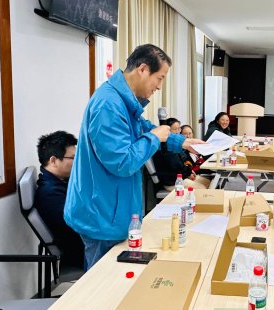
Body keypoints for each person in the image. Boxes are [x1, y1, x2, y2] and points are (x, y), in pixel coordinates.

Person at [64, 44, 204, 270]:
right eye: (159, 78)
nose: (159, 86)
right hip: (102, 211)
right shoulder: (108, 105)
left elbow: (143, 128)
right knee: (104, 280)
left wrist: (181, 142)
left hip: (114, 208)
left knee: (118, 275)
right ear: (143, 69)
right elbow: (122, 162)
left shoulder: (123, 100)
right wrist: (154, 138)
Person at [34, 130, 84, 269]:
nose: (77, 162)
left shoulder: (58, 182)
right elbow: (74, 227)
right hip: (80, 253)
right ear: (53, 161)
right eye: (73, 158)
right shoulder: (50, 193)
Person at [152, 119, 210, 190]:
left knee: (207, 182)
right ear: (167, 131)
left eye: (178, 129)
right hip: (172, 181)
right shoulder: (166, 145)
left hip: (181, 176)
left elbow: (184, 161)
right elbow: (176, 166)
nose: (177, 132)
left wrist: (190, 171)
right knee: (201, 188)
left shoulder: (177, 143)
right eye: (174, 129)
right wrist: (188, 174)